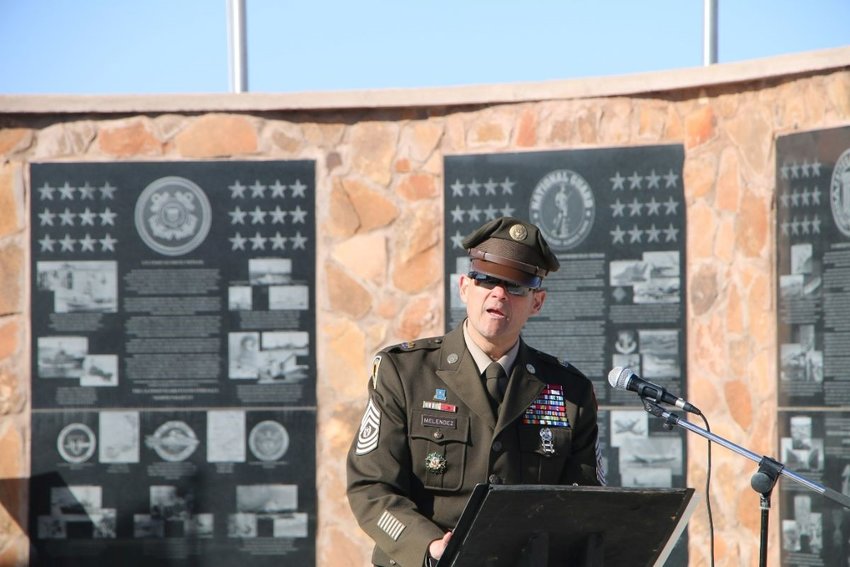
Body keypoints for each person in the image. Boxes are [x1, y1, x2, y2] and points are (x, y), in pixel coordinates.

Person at [346, 216, 605, 567]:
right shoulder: (404, 373)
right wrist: (429, 547)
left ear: (537, 302)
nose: (499, 294)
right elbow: (371, 487)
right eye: (488, 280)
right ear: (465, 286)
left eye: (516, 287)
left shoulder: (569, 392)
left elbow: (584, 501)